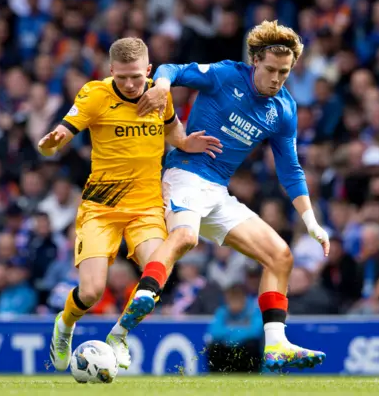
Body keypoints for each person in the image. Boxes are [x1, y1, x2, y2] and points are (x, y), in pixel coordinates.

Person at [126, 20, 329, 371]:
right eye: (270, 70)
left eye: (284, 71)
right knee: (186, 237)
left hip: (217, 192)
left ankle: (277, 345)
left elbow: (290, 169)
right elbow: (172, 68)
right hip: (184, 173)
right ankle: (146, 291)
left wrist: (311, 221)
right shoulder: (223, 75)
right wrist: (161, 85)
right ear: (254, 62)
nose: (277, 78)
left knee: (280, 256)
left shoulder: (284, 109)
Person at [38, 37, 223, 372]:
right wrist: (52, 144)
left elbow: (172, 131)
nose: (129, 83)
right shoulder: (95, 94)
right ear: (111, 71)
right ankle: (64, 326)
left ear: (148, 70)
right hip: (101, 207)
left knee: (156, 272)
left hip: (146, 206)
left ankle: (119, 335)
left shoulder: (158, 95)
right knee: (92, 292)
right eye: (122, 77)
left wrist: (185, 142)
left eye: (136, 76)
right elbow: (63, 132)